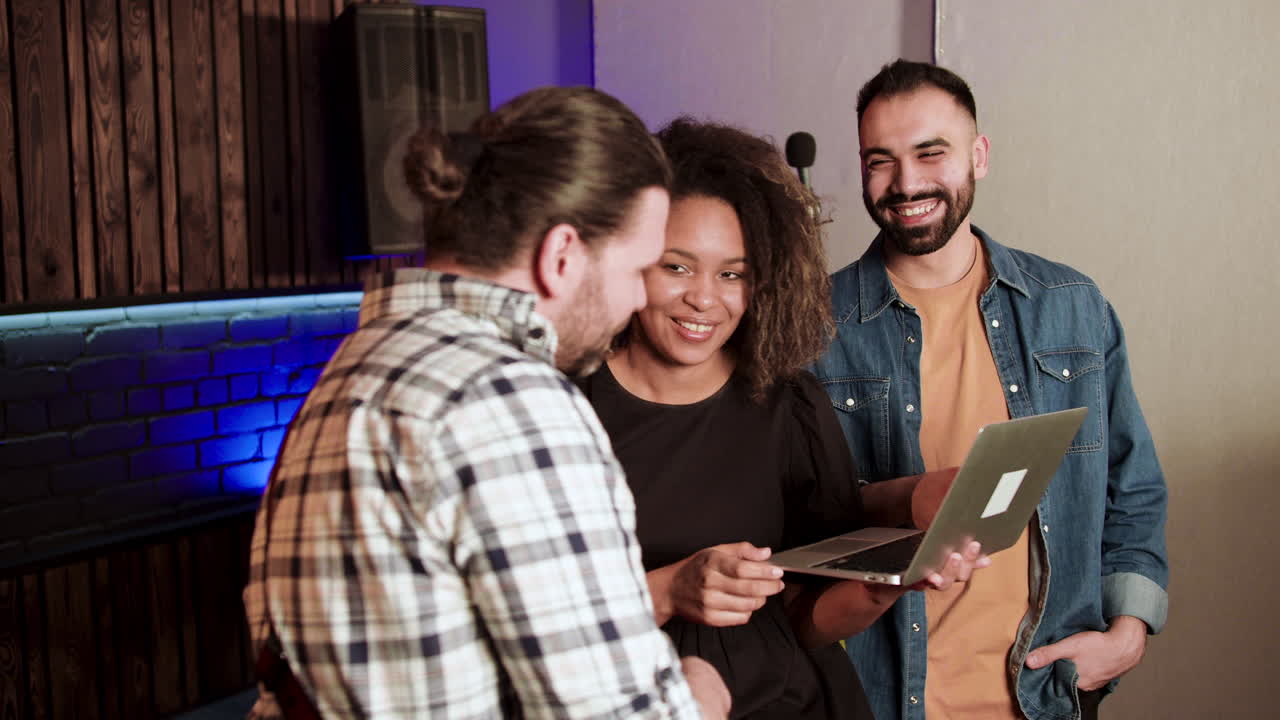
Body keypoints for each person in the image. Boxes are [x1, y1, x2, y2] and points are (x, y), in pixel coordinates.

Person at [242, 87, 732, 719]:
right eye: (638, 269)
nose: (640, 300)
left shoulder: (349, 374)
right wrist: (696, 693)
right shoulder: (506, 399)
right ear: (561, 257)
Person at [577, 118, 987, 720]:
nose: (705, 299)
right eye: (677, 267)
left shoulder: (788, 406)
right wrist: (670, 588)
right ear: (629, 259)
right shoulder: (566, 411)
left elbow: (806, 621)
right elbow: (520, 616)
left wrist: (885, 583)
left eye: (732, 274)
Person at [812, 59, 1169, 720]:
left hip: (1044, 700)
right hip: (876, 700)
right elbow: (795, 527)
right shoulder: (813, 325)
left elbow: (1134, 487)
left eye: (930, 153)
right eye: (879, 161)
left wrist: (1128, 632)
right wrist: (902, 502)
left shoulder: (1073, 307)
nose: (906, 183)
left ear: (978, 156)